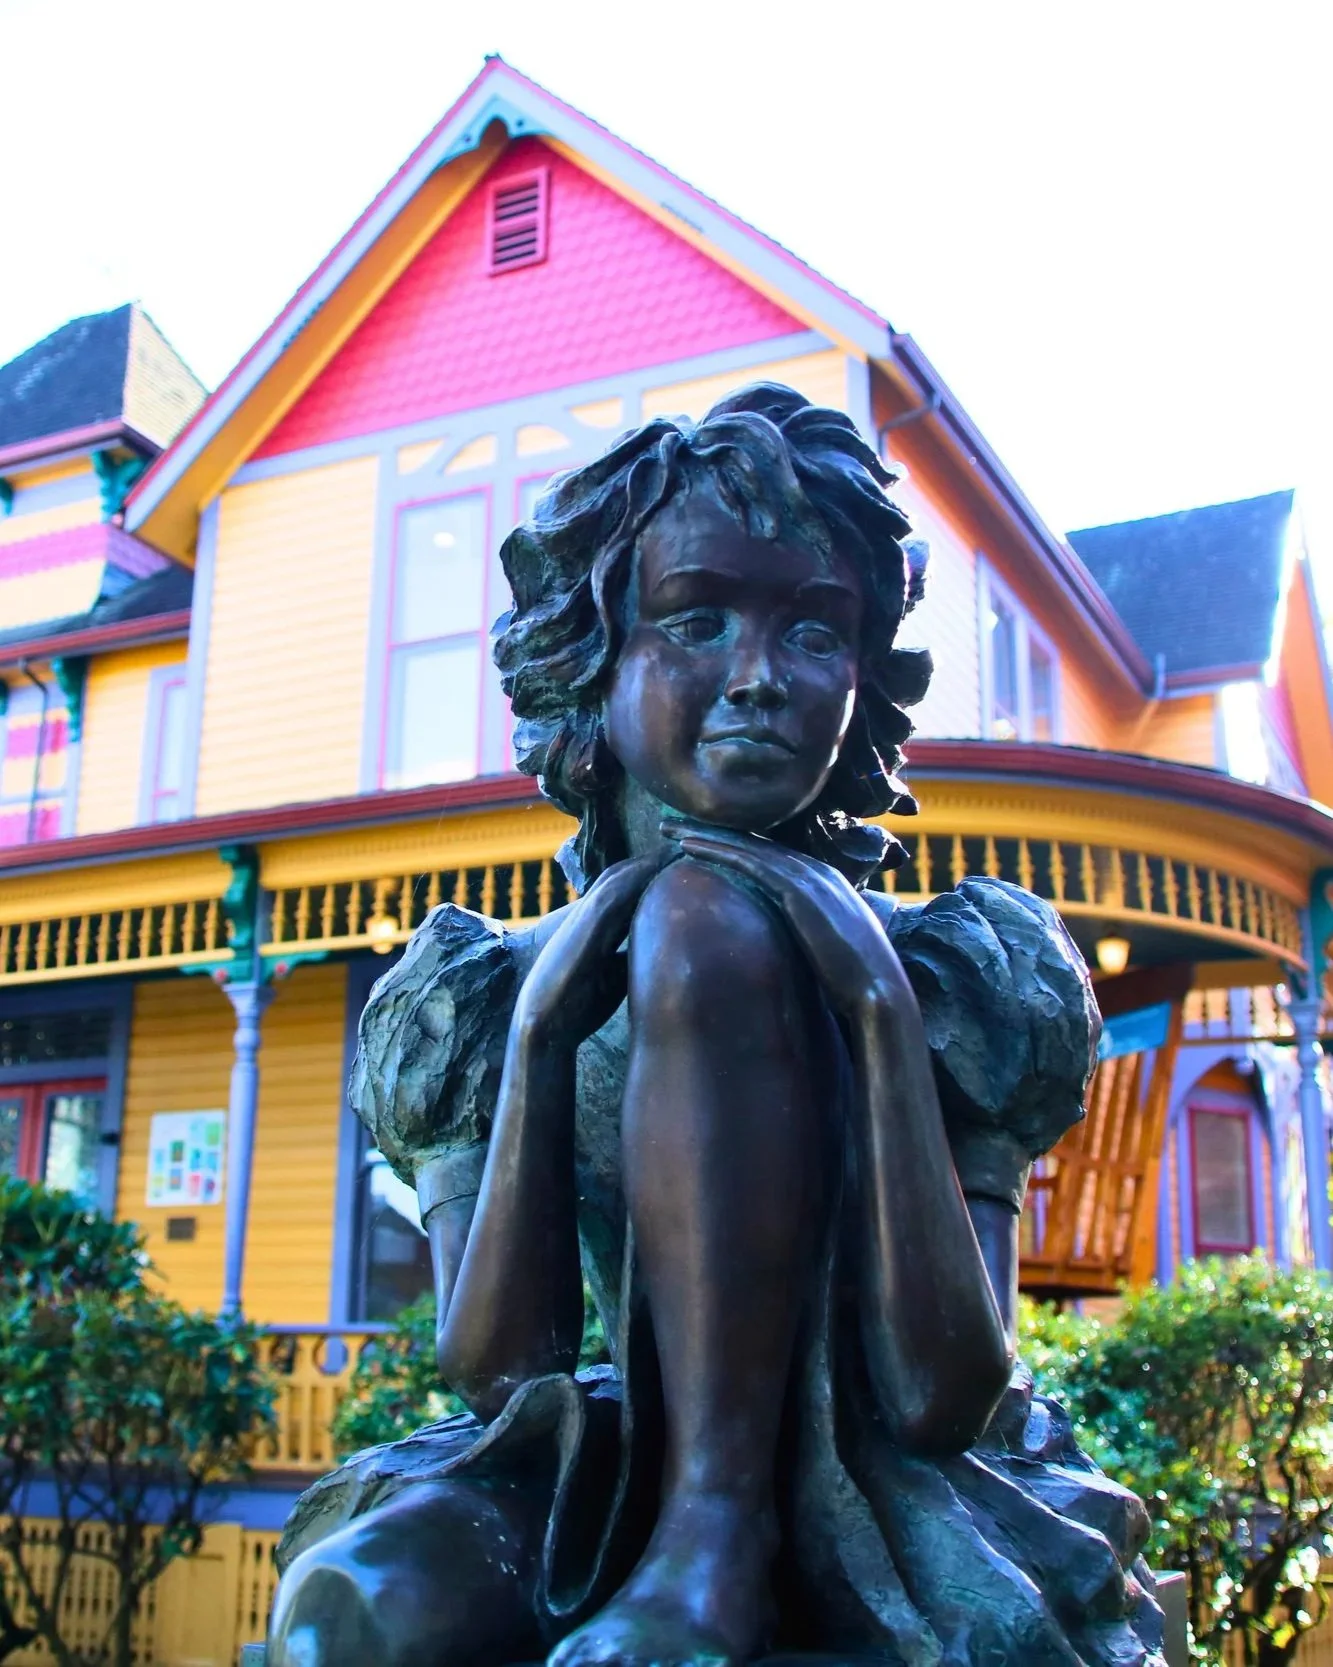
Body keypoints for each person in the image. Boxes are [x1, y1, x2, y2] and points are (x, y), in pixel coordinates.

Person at [268, 386, 1167, 1667]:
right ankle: (688, 1527)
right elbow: (497, 1372)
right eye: (695, 619)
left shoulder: (945, 963)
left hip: (895, 1479)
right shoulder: (487, 984)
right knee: (358, 1611)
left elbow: (943, 1391)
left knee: (702, 917)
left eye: (815, 630)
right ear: (597, 652)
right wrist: (537, 1042)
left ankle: (719, 1535)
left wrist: (874, 1008)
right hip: (601, 1450)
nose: (760, 678)